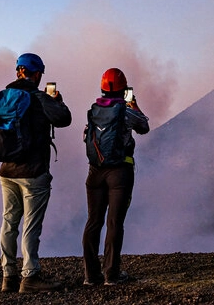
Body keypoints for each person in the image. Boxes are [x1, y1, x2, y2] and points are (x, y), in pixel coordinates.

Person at [0, 53, 72, 293]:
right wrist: (57, 101)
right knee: (31, 225)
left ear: (18, 71)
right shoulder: (39, 97)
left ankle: (8, 276)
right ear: (37, 74)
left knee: (9, 221)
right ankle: (30, 277)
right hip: (33, 172)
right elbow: (64, 119)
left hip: (7, 170)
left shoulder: (4, 96)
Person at [82, 68, 150, 286]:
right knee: (114, 222)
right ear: (123, 89)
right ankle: (111, 275)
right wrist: (134, 104)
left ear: (102, 87)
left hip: (94, 172)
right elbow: (144, 127)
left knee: (93, 221)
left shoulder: (93, 111)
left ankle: (90, 276)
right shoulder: (125, 111)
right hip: (119, 173)